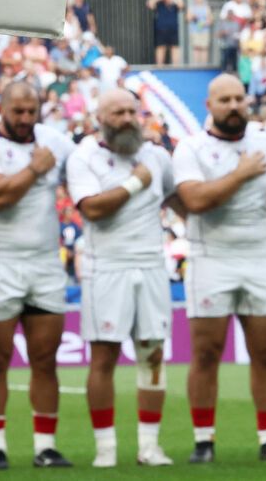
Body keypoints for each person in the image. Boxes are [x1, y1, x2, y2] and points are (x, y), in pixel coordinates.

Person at [173, 75, 266, 464]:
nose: (233, 106)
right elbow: (194, 200)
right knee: (206, 354)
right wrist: (240, 174)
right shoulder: (191, 148)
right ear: (209, 106)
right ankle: (204, 440)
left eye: (239, 99)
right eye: (224, 100)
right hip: (212, 257)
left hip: (260, 256)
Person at [0, 82, 77, 470]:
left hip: (46, 264)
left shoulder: (57, 141)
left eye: (33, 111)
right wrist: (34, 169)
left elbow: (80, 181)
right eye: (19, 112)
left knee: (45, 360)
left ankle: (45, 446)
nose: (27, 119)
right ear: (1, 109)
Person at [66, 88, 182, 468]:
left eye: (132, 111)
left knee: (153, 355)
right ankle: (106, 450)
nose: (128, 119)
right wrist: (135, 182)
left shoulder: (157, 156)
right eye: (117, 113)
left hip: (150, 264)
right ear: (100, 119)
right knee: (103, 357)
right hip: (107, 267)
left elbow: (177, 200)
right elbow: (92, 209)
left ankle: (149, 447)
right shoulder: (84, 156)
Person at [148, 0, 184, 66]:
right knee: (160, 48)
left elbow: (182, 5)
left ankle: (176, 67)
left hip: (173, 31)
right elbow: (149, 4)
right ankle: (159, 66)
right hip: (161, 31)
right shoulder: (159, 5)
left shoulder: (174, 6)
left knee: (175, 48)